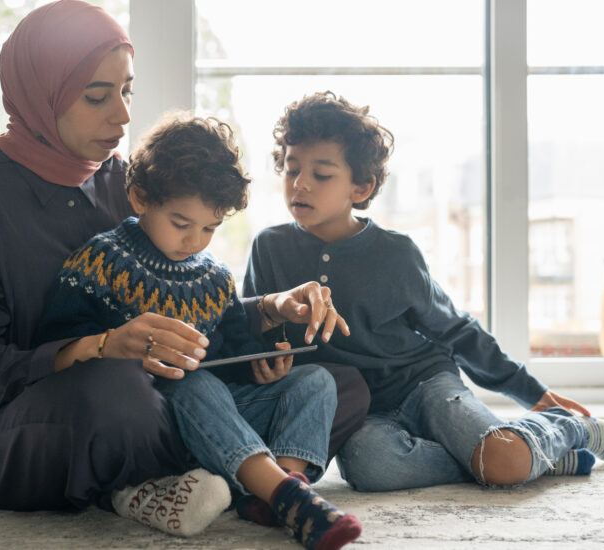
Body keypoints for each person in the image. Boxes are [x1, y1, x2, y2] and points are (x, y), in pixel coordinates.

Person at [0, 2, 368, 539]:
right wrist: (101, 346)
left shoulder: (128, 179)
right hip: (38, 420)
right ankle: (234, 473)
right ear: (41, 89)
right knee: (122, 391)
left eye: (127, 91)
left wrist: (274, 310)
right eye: (97, 95)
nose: (122, 115)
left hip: (166, 402)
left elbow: (199, 311)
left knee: (340, 382)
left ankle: (229, 479)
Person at [243, 91, 604, 493]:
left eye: (322, 174)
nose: (301, 185)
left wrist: (531, 393)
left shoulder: (395, 253)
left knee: (502, 458)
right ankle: (524, 457)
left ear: (361, 187)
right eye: (291, 170)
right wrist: (271, 362)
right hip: (363, 411)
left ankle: (565, 429)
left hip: (425, 385)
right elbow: (254, 330)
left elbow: (456, 330)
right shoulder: (268, 248)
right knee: (370, 470)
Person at [36, 112, 362, 549]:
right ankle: (288, 497)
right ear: (139, 198)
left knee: (316, 381)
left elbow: (232, 345)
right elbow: (64, 343)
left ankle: (275, 492)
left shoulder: (213, 275)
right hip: (157, 419)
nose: (195, 241)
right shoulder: (102, 261)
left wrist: (258, 367)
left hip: (218, 415)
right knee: (197, 383)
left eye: (210, 227)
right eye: (181, 223)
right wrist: (122, 349)